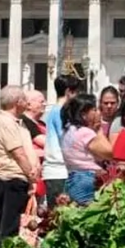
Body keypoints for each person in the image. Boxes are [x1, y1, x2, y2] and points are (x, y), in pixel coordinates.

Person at [0, 86, 40, 246]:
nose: (27, 103)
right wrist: (31, 175)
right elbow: (18, 154)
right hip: (11, 179)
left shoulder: (18, 123)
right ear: (17, 102)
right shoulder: (5, 122)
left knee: (17, 226)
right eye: (25, 99)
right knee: (9, 227)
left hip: (20, 179)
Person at [60, 93, 113, 205]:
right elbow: (109, 152)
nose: (98, 113)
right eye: (94, 110)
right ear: (84, 114)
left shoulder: (68, 131)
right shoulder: (85, 132)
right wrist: (98, 131)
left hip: (73, 178)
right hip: (88, 178)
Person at [41, 74, 82, 202]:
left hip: (58, 171)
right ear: (69, 92)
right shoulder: (60, 112)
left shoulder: (54, 111)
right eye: (77, 93)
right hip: (59, 171)